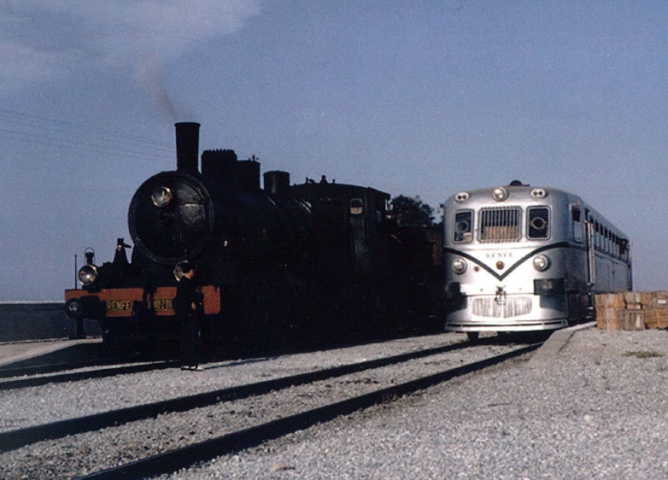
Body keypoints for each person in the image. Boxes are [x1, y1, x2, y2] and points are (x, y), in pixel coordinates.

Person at [173, 262, 204, 371]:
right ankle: (193, 364)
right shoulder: (188, 283)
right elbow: (189, 298)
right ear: (191, 271)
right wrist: (194, 303)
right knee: (192, 338)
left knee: (186, 338)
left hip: (183, 314)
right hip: (189, 314)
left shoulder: (182, 282)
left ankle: (185, 363)